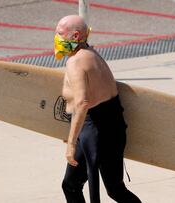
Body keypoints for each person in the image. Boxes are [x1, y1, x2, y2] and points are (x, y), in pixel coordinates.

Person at [54, 15, 142, 203]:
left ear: (75, 35)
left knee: (71, 185)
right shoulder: (92, 54)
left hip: (94, 133)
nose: (56, 37)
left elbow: (82, 103)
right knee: (116, 189)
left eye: (60, 33)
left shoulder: (75, 62)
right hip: (113, 128)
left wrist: (71, 143)